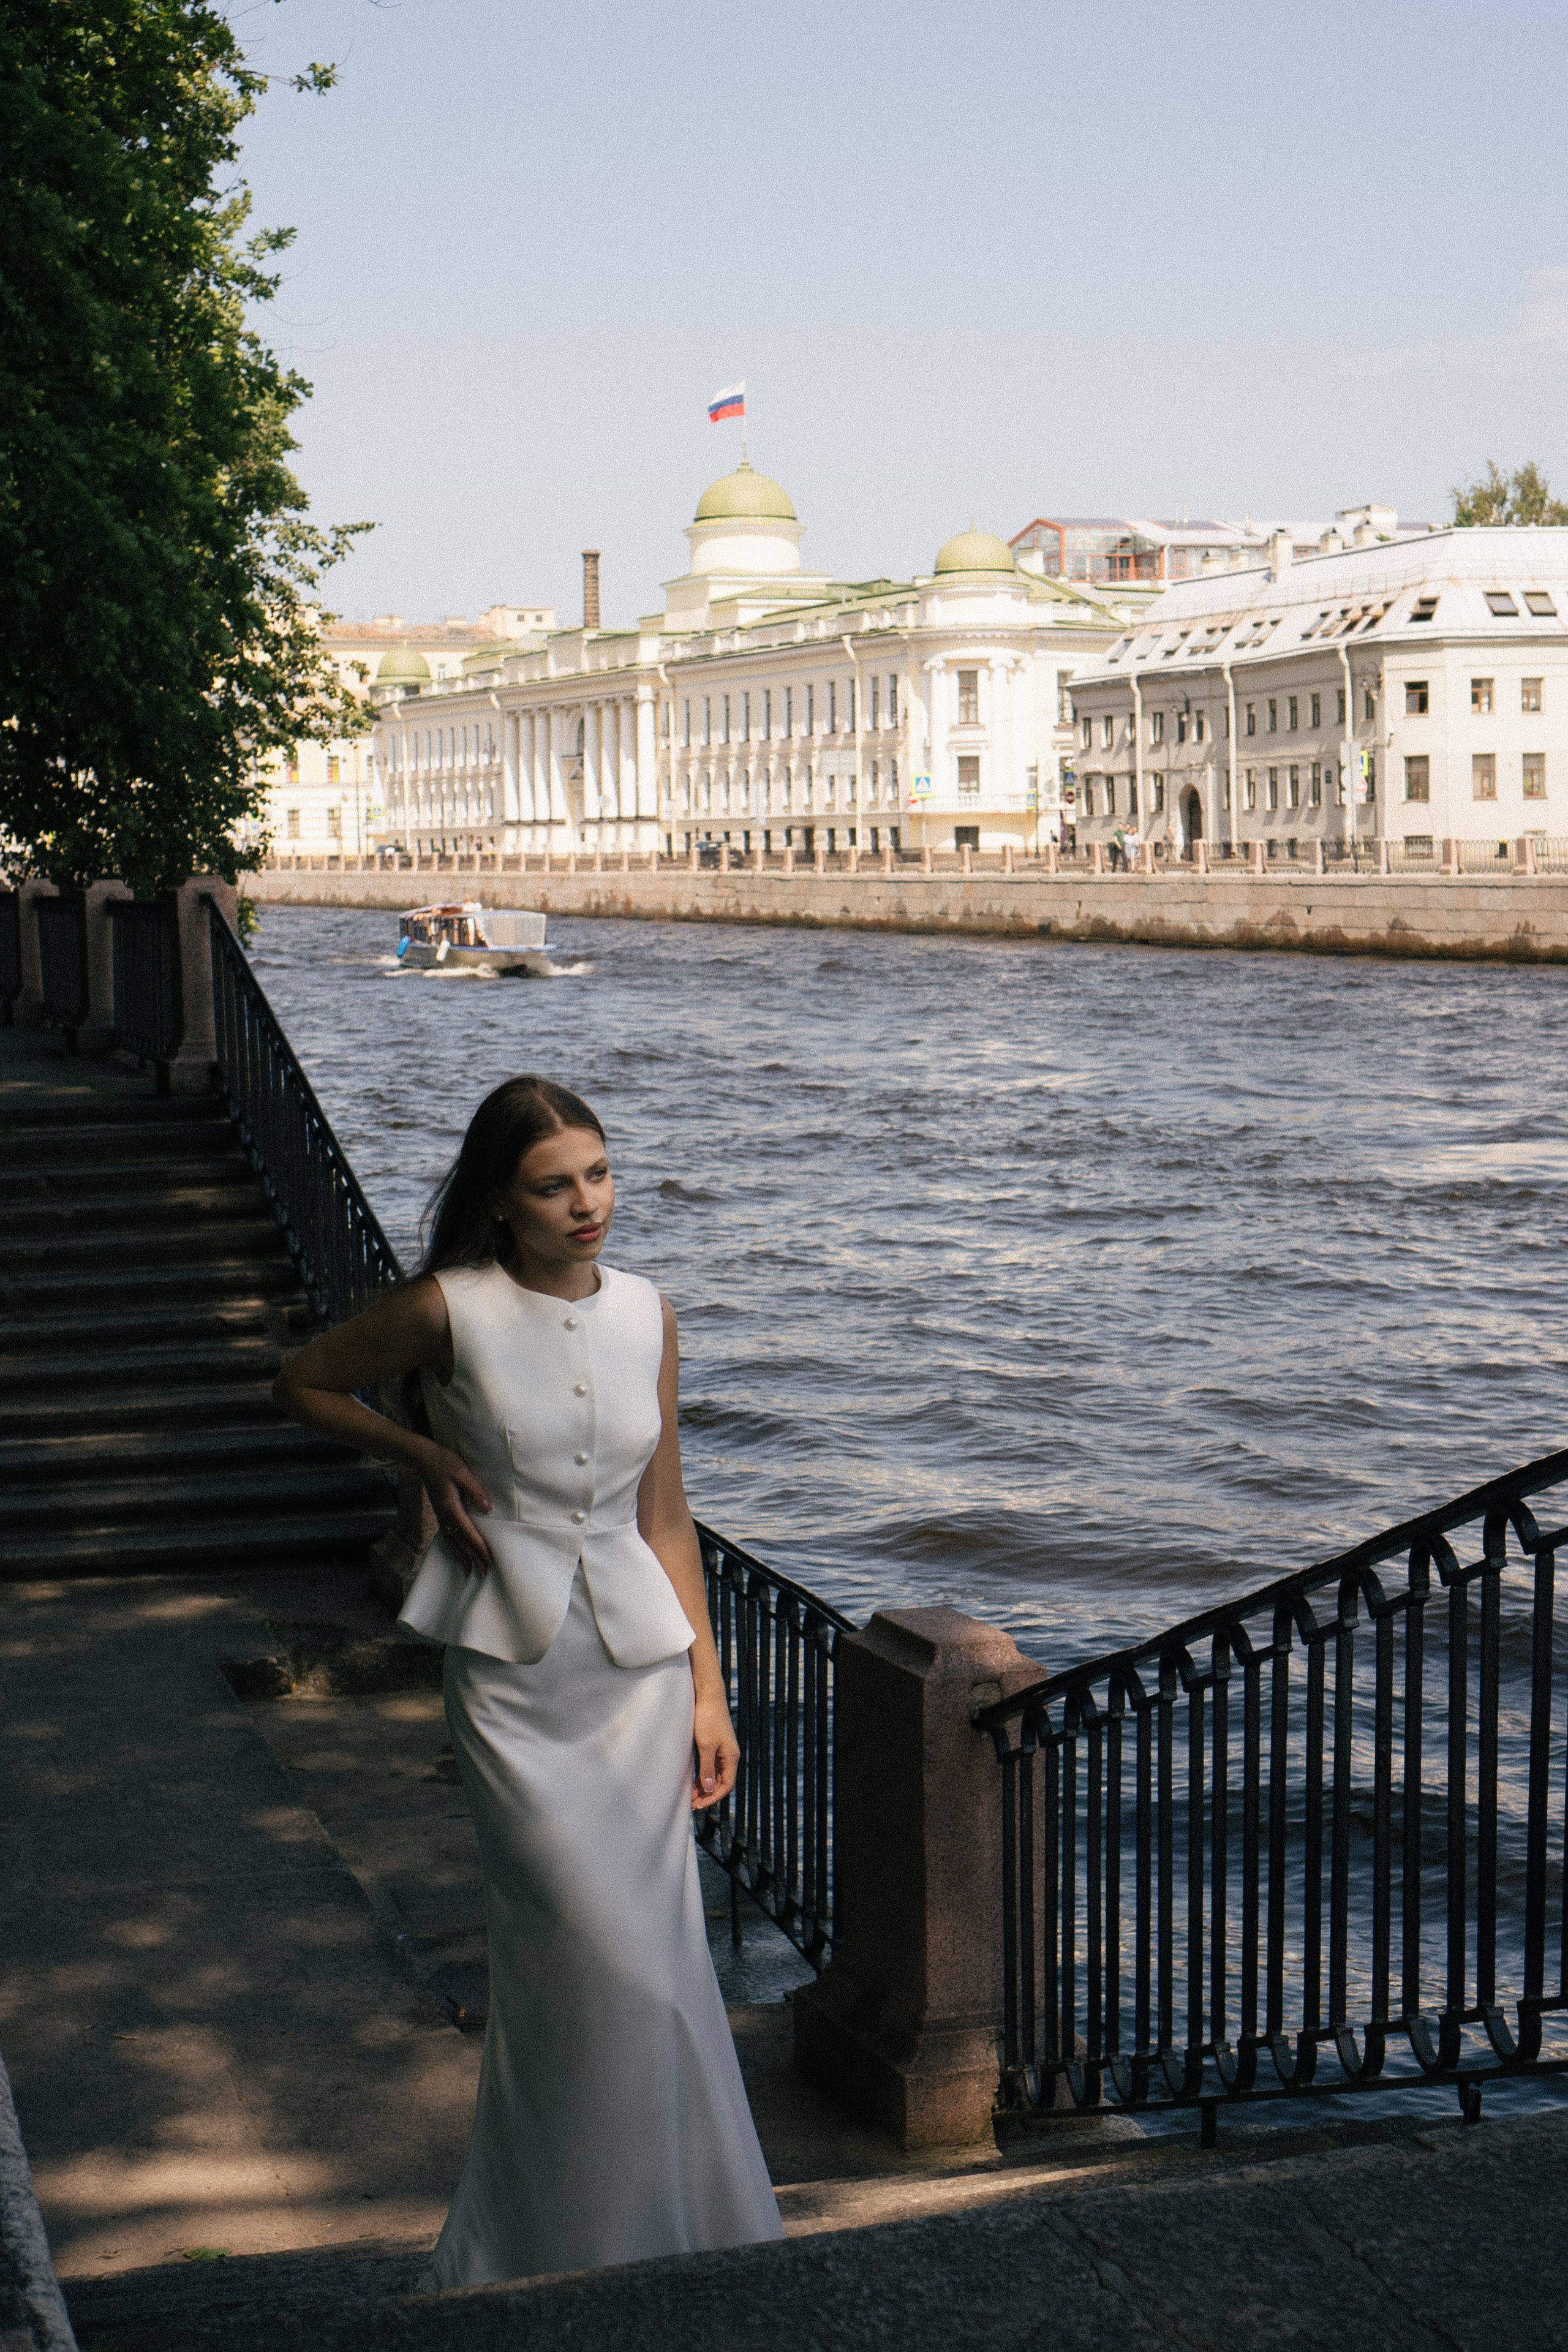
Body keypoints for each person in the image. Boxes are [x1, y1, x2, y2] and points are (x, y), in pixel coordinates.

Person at [273, 1076, 783, 2285]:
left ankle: (673, 2232)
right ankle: (544, 2253)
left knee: (658, 1973)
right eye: (554, 1186)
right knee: (584, 1966)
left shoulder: (649, 1313)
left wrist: (709, 1695)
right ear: (500, 1202)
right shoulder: (447, 1307)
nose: (586, 1203)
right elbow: (299, 1381)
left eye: (597, 1174)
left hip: (641, 1683)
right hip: (516, 1685)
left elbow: (666, 1517)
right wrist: (422, 1453)